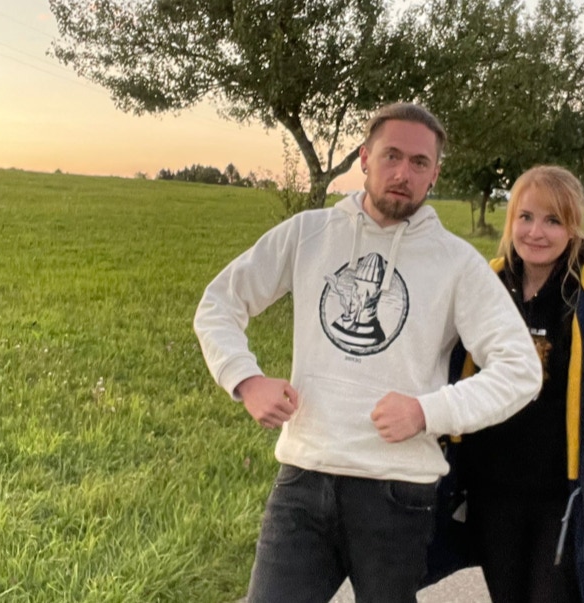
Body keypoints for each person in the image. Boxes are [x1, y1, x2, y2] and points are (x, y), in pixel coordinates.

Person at [193, 103, 542, 603]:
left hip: (397, 492)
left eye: (419, 163)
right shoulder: (307, 234)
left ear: (434, 174)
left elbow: (520, 369)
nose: (403, 173)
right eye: (391, 156)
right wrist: (246, 380)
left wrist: (427, 411)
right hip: (304, 479)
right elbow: (219, 305)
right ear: (364, 158)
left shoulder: (457, 264)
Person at [453, 165, 584, 602]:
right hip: (492, 493)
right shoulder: (481, 287)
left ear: (574, 228)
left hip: (560, 503)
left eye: (553, 220)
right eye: (525, 217)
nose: (536, 232)